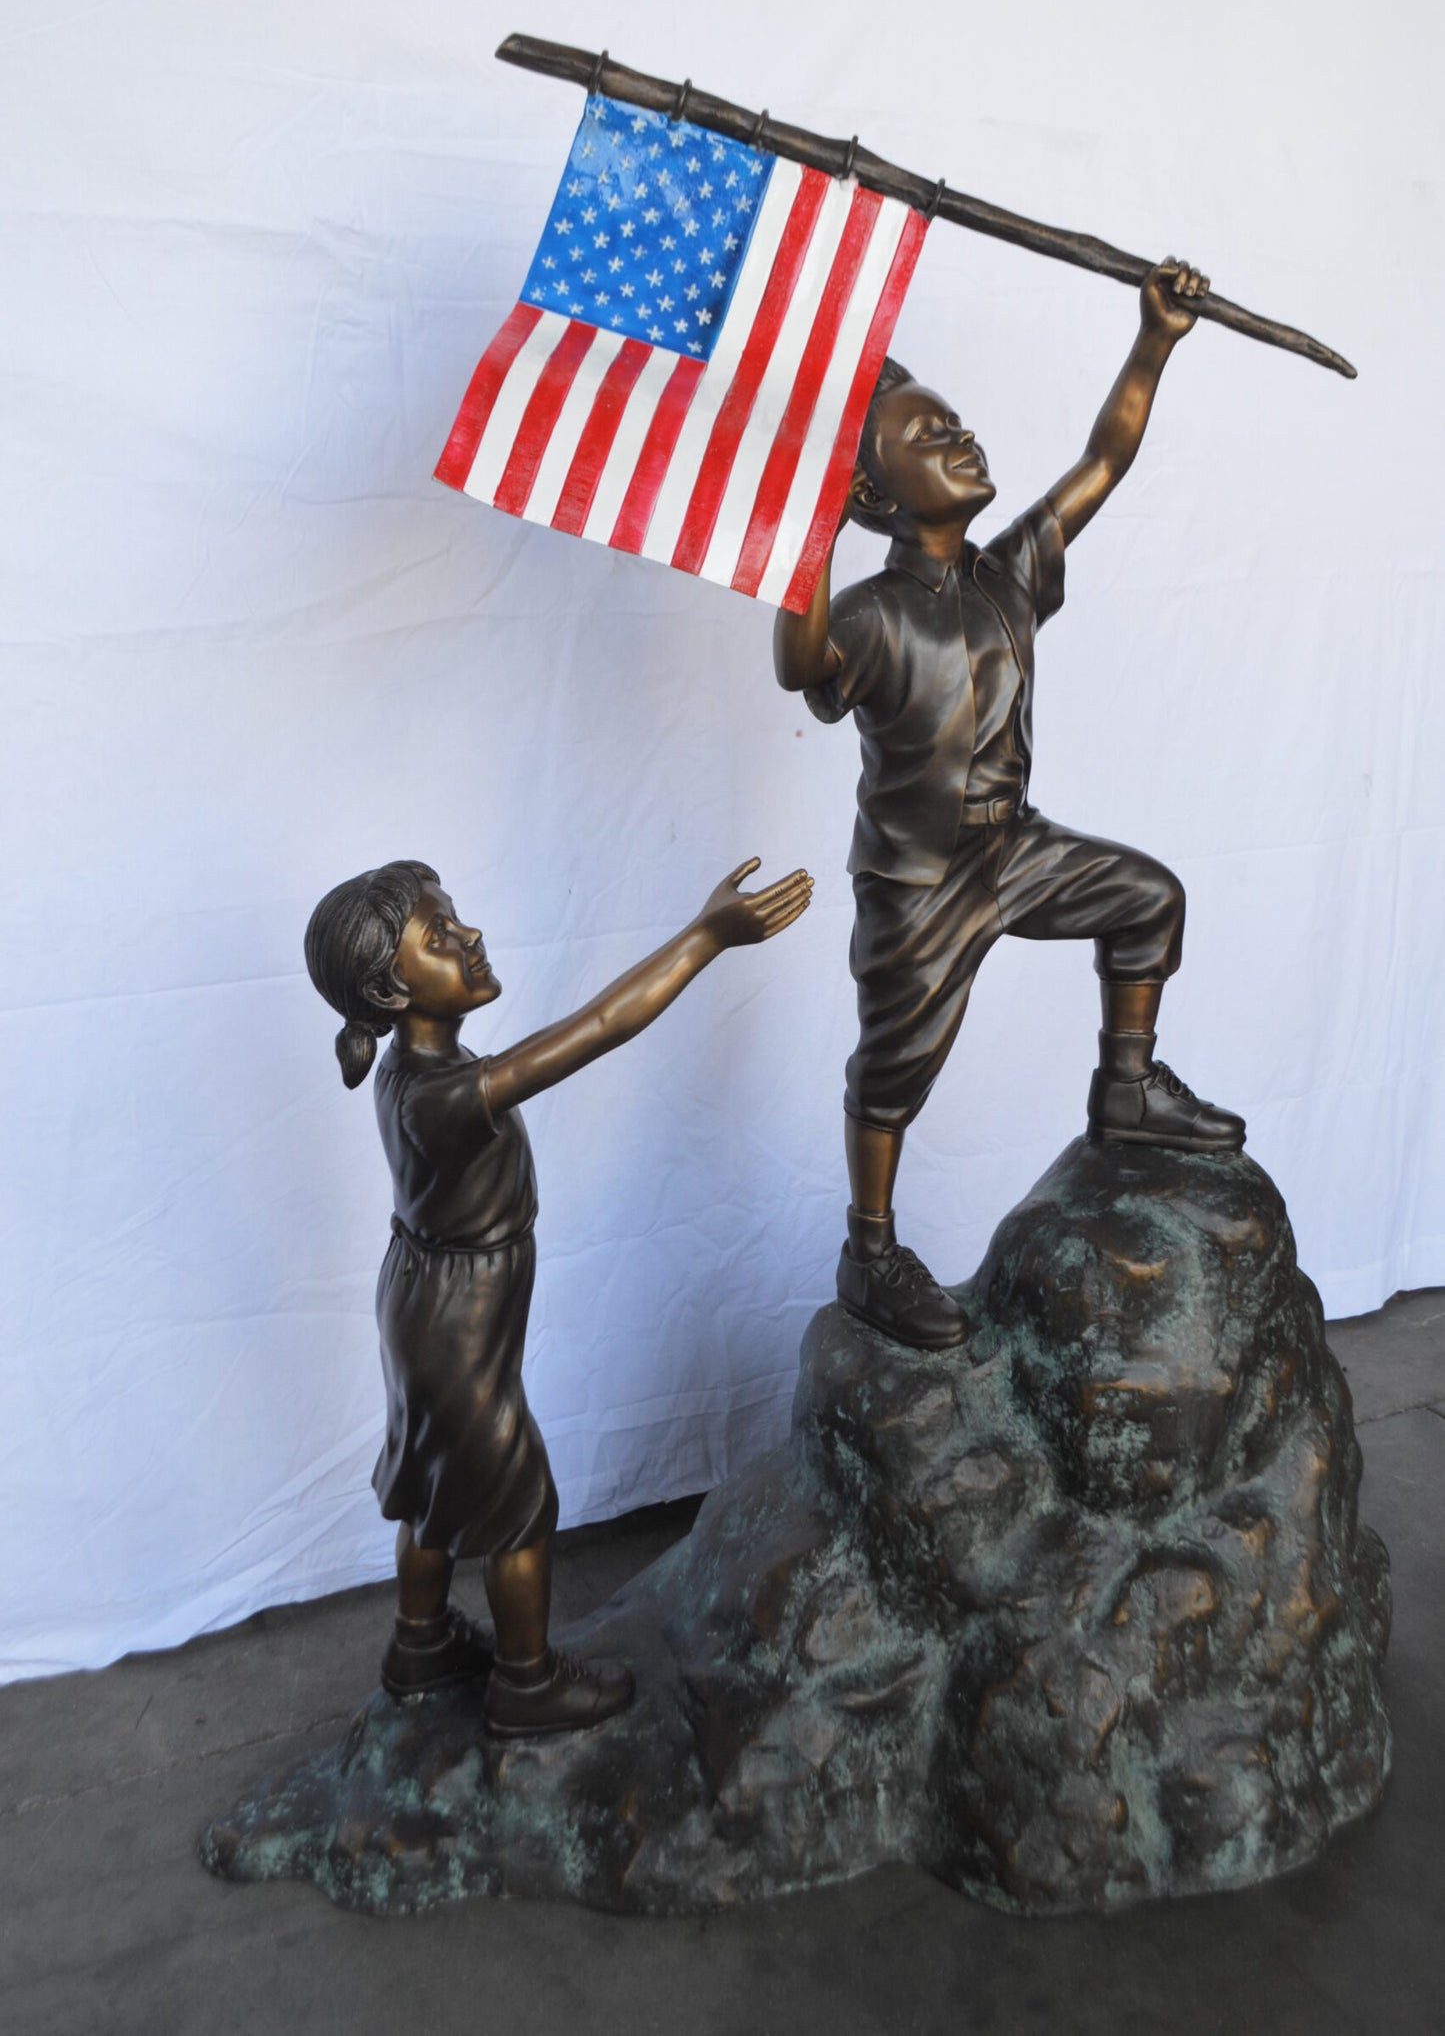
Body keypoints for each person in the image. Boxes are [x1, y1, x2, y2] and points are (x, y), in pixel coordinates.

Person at [773, 258, 1243, 1355]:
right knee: (892, 1067)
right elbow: (801, 664)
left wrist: (1154, 340)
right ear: (872, 499)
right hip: (917, 875)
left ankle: (1123, 1088)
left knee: (1146, 898)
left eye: (956, 423)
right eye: (926, 437)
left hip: (1014, 848)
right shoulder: (871, 612)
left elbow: (1102, 460)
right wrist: (801, 523)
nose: (960, 439)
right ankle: (869, 1247)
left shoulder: (1006, 575)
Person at [304, 853, 812, 1732]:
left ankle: (420, 1645)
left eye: (455, 916)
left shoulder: (411, 1075)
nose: (469, 936)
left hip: (425, 1295)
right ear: (391, 991)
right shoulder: (448, 1096)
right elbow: (603, 1025)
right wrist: (705, 937)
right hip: (456, 1318)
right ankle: (526, 1681)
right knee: (519, 1500)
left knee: (432, 1474)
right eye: (439, 937)